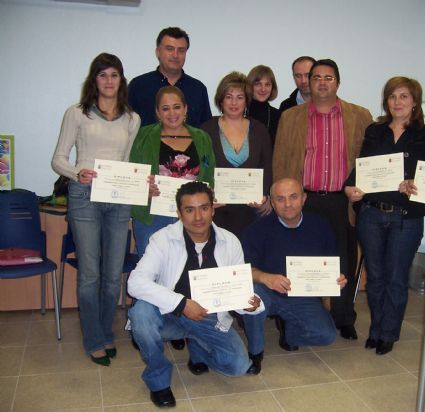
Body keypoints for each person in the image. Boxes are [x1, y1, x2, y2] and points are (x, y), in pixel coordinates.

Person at [127, 182, 262, 408]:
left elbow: (238, 287)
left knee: (238, 366)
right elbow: (135, 283)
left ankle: (197, 344)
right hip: (167, 314)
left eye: (204, 208)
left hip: (208, 316)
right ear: (179, 213)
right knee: (140, 314)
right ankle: (158, 380)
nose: (198, 216)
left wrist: (248, 304)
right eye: (189, 210)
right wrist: (181, 303)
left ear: (213, 209)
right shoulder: (162, 239)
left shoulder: (230, 241)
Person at [273, 59, 373, 340]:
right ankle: (295, 315)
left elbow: (370, 159)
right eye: (316, 77)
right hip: (304, 199)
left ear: (338, 82)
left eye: (328, 77)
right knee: (298, 258)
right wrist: (283, 200)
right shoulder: (291, 117)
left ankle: (343, 316)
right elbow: (281, 160)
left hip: (343, 201)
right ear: (308, 82)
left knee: (343, 259)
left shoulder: (360, 115)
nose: (322, 82)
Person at [51, 53, 141, 366]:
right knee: (90, 274)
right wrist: (78, 173)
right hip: (84, 195)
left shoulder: (132, 118)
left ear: (121, 80)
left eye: (114, 74)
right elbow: (58, 159)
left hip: (118, 197)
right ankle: (93, 340)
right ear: (94, 79)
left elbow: (128, 162)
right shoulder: (77, 113)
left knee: (113, 274)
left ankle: (106, 332)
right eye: (102, 75)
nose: (108, 81)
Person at [344, 76, 425, 355]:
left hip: (405, 218)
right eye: (392, 97)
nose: (397, 102)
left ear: (415, 102)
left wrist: (412, 182)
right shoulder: (375, 130)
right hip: (372, 215)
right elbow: (363, 167)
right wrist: (350, 188)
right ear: (386, 101)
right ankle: (375, 328)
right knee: (375, 277)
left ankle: (389, 332)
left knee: (396, 277)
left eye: (404, 96)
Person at [241, 178, 347, 373]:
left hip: (302, 295)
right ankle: (255, 352)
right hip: (267, 291)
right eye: (280, 199)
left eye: (293, 197)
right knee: (251, 296)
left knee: (327, 336)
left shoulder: (321, 226)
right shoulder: (256, 229)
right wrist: (267, 278)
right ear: (272, 203)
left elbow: (330, 265)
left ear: (304, 198)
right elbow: (243, 270)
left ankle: (289, 333)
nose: (287, 204)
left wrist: (335, 282)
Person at [130, 86, 215, 256]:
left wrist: (211, 193)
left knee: (188, 269)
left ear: (185, 109)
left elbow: (210, 175)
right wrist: (143, 189)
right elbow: (134, 175)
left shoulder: (202, 137)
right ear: (157, 112)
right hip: (152, 217)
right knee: (151, 271)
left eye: (177, 107)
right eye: (165, 108)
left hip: (193, 216)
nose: (172, 113)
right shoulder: (143, 136)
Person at [201, 71, 273, 238]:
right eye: (228, 96)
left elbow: (267, 166)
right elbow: (202, 166)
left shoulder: (260, 130)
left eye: (240, 97)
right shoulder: (206, 129)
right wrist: (207, 196)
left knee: (250, 258)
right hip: (216, 210)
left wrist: (265, 197)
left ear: (247, 100)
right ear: (221, 100)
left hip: (252, 211)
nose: (234, 103)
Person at [128, 27, 211, 128]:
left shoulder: (198, 89)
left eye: (181, 50)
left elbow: (206, 130)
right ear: (158, 52)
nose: (175, 55)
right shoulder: (138, 86)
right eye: (170, 49)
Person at [246, 65, 280, 146]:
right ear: (250, 86)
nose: (263, 89)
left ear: (272, 87)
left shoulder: (279, 116)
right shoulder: (239, 112)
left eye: (267, 84)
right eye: (258, 84)